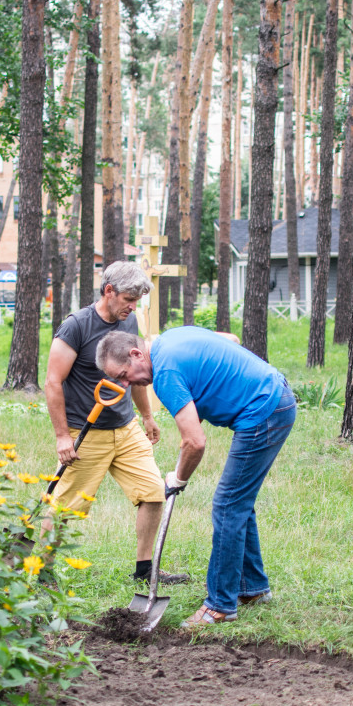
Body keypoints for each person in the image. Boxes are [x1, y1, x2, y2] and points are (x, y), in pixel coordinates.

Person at [96, 327, 297, 627]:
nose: (126, 384)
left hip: (263, 410)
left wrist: (178, 478)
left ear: (137, 354)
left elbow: (195, 442)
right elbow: (230, 340)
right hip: (274, 396)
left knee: (228, 505)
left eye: (124, 374)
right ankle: (253, 589)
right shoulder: (170, 339)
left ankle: (219, 606)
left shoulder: (165, 375)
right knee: (238, 503)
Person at [44, 262, 188, 584]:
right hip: (85, 433)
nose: (132, 307)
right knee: (66, 506)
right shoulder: (76, 326)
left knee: (153, 493)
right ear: (109, 291)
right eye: (128, 299)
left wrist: (148, 416)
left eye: (136, 301)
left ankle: (145, 570)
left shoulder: (130, 320)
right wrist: (62, 436)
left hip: (125, 428)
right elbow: (53, 382)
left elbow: (133, 374)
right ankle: (43, 571)